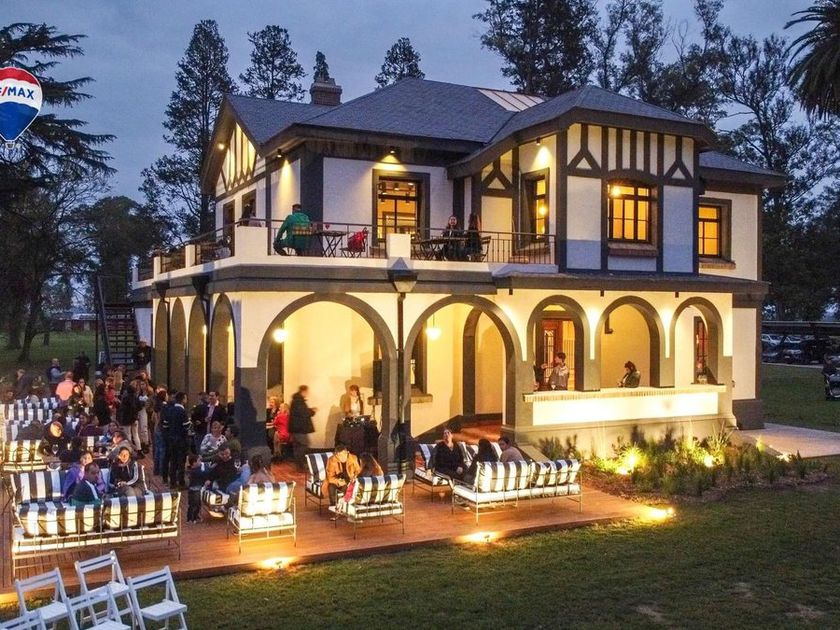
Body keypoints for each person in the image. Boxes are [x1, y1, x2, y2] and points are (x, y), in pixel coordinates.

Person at [164, 392, 191, 488]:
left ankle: (172, 482)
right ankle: (181, 482)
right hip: (181, 439)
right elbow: (186, 426)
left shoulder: (170, 410)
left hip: (172, 439)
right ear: (183, 399)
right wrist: (190, 423)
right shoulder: (183, 411)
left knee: (173, 461)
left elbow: (165, 425)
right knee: (181, 462)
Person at [324, 444, 361, 510]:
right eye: (340, 455)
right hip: (337, 479)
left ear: (347, 452)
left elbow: (358, 471)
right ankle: (334, 506)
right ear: (336, 455)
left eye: (344, 454)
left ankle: (345, 505)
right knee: (331, 487)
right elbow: (329, 477)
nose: (342, 457)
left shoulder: (353, 458)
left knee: (346, 487)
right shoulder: (331, 460)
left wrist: (354, 477)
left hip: (349, 479)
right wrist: (338, 481)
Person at [289, 385, 316, 470]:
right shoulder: (299, 401)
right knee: (303, 445)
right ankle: (301, 465)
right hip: (300, 428)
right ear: (303, 391)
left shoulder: (295, 400)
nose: (307, 393)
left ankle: (298, 465)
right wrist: (312, 411)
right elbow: (304, 413)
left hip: (295, 428)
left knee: (297, 447)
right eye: (307, 392)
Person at [119, 383, 143, 452]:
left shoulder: (125, 399)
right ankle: (139, 449)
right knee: (136, 434)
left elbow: (122, 408)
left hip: (126, 419)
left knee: (128, 435)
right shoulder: (136, 398)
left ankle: (129, 449)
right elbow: (140, 407)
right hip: (134, 418)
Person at [186, 454, 203, 523]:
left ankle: (191, 517)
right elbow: (202, 474)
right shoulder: (195, 471)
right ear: (194, 463)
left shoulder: (191, 470)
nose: (200, 462)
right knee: (195, 504)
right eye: (199, 461)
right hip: (195, 490)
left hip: (193, 490)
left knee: (193, 504)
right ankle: (193, 518)